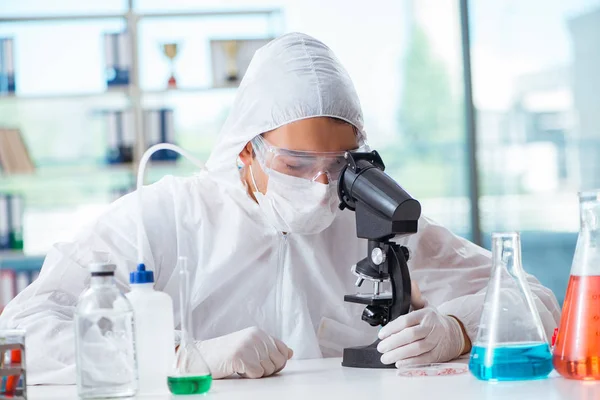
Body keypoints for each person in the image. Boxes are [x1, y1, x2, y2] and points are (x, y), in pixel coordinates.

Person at [0, 32, 560, 384]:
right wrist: (178, 355)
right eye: (295, 164)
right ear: (248, 149)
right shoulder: (164, 216)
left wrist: (458, 327)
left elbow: (533, 298)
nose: (320, 187)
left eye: (338, 164)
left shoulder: (369, 217)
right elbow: (25, 330)